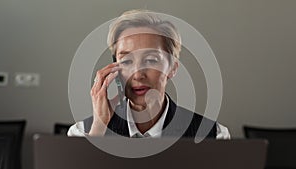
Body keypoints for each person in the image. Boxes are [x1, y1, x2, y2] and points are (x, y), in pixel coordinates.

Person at [68, 9, 230, 139]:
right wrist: (99, 127)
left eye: (151, 60)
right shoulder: (83, 132)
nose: (138, 75)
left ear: (172, 67)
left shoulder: (214, 135)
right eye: (126, 61)